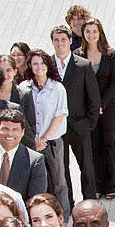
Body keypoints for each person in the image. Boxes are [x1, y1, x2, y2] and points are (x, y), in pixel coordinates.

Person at [53, 25, 101, 202]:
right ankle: (68, 204)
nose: (60, 43)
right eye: (56, 40)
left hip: (80, 126)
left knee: (87, 169)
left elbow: (94, 98)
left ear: (70, 41)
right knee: (61, 170)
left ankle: (89, 204)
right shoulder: (47, 66)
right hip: (56, 128)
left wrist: (89, 123)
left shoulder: (82, 65)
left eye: (63, 39)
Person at [78, 18, 115, 199]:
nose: (91, 35)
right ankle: (98, 184)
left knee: (109, 144)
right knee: (94, 146)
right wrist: (93, 108)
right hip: (89, 110)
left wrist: (101, 105)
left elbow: (114, 81)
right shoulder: (78, 54)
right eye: (87, 31)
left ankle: (112, 183)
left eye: (94, 31)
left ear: (100, 32)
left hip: (108, 107)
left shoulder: (110, 54)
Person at [23, 49, 69, 209]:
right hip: (31, 143)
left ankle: (64, 214)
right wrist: (33, 140)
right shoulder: (24, 88)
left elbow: (59, 116)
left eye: (42, 63)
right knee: (37, 180)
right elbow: (22, 117)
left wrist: (43, 139)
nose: (39, 66)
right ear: (29, 65)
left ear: (48, 65)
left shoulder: (57, 88)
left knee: (59, 181)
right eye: (35, 63)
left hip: (52, 142)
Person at [0, 109, 47, 201]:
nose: (10, 133)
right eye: (5, 129)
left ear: (22, 132)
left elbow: (35, 199)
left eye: (15, 129)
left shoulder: (35, 160)